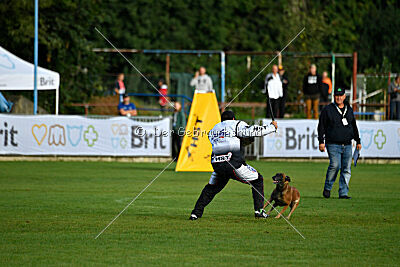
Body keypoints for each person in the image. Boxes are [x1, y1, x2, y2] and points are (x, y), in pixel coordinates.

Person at [189, 110, 278, 220]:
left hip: (217, 165)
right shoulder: (236, 124)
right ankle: (259, 211)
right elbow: (252, 131)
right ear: (233, 119)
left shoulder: (213, 130)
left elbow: (224, 140)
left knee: (211, 189)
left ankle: (195, 213)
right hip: (233, 164)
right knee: (257, 180)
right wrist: (271, 127)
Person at [318, 88, 361, 199]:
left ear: (344, 96)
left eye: (341, 95)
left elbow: (354, 125)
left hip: (347, 144)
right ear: (334, 96)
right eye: (337, 95)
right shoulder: (328, 110)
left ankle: (343, 193)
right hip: (332, 143)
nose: (339, 97)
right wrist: (321, 142)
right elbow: (321, 126)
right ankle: (328, 187)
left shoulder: (349, 109)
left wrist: (358, 141)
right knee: (335, 166)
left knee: (346, 169)